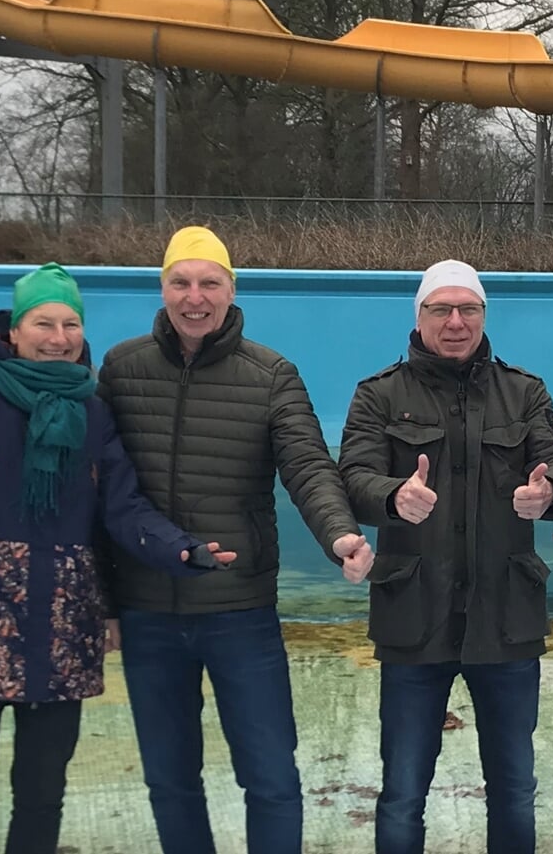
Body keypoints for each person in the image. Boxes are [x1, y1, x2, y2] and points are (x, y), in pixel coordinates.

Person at [0, 262, 237, 854]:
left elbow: (125, 508)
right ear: (13, 331)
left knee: (43, 790)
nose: (59, 338)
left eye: (71, 324)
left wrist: (181, 547)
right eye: (44, 323)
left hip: (60, 619)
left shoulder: (94, 410)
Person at [96, 225, 376, 854]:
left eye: (209, 283)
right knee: (170, 780)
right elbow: (103, 490)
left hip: (238, 610)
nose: (195, 298)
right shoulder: (121, 367)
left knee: (271, 776)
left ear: (231, 290)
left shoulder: (271, 374)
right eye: (181, 283)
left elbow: (307, 464)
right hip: (148, 612)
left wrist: (340, 534)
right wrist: (105, 600)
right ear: (163, 289)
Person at [338, 259, 553, 854]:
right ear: (418, 317)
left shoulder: (525, 391)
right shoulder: (379, 394)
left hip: (507, 617)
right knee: (401, 789)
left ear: (482, 316)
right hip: (413, 617)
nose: (454, 322)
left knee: (515, 787)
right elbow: (352, 476)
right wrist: (394, 495)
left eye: (467, 309)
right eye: (440, 309)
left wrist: (549, 493)